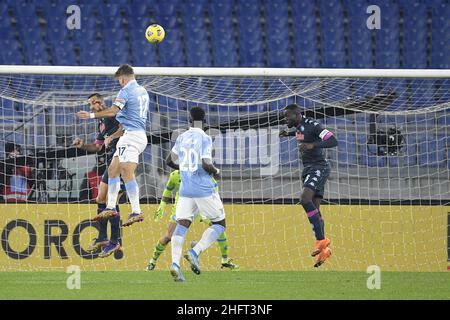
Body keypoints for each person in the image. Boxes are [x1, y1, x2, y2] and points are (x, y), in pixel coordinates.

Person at [76, 64, 149, 230]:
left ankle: (136, 210)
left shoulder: (126, 91)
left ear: (122, 78)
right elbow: (123, 124)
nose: (119, 84)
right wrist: (112, 136)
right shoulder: (143, 91)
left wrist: (90, 115)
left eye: (119, 81)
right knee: (112, 170)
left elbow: (113, 111)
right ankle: (110, 207)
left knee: (126, 172)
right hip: (131, 134)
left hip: (132, 136)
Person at [166, 106, 225, 282]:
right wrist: (216, 171)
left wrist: (184, 169)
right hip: (203, 188)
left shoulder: (182, 137)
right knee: (220, 223)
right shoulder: (205, 138)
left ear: (189, 121)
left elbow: (169, 161)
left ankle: (175, 264)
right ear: (205, 121)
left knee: (182, 224)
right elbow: (206, 164)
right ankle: (195, 252)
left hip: (185, 189)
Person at [280, 104, 338, 267]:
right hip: (309, 168)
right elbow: (303, 134)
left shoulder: (313, 125)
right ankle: (325, 250)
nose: (286, 119)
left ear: (297, 114)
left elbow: (333, 140)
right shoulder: (299, 127)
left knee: (305, 199)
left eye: (288, 116)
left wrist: (313, 145)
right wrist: (288, 134)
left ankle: (321, 240)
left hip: (319, 167)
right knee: (315, 209)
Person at [146, 169, 239, 271]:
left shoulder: (203, 176)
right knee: (168, 236)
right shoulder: (175, 175)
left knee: (218, 228)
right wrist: (162, 205)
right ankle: (153, 261)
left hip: (202, 207)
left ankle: (224, 260)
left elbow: (214, 189)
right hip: (181, 207)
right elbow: (168, 189)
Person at [73, 93, 122, 258]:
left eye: (91, 104)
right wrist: (82, 146)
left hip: (121, 159)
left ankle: (115, 242)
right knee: (101, 199)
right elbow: (97, 147)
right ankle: (103, 238)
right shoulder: (102, 122)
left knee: (109, 202)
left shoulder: (112, 114)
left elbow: (126, 129)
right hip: (111, 162)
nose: (90, 108)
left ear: (98, 102)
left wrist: (113, 137)